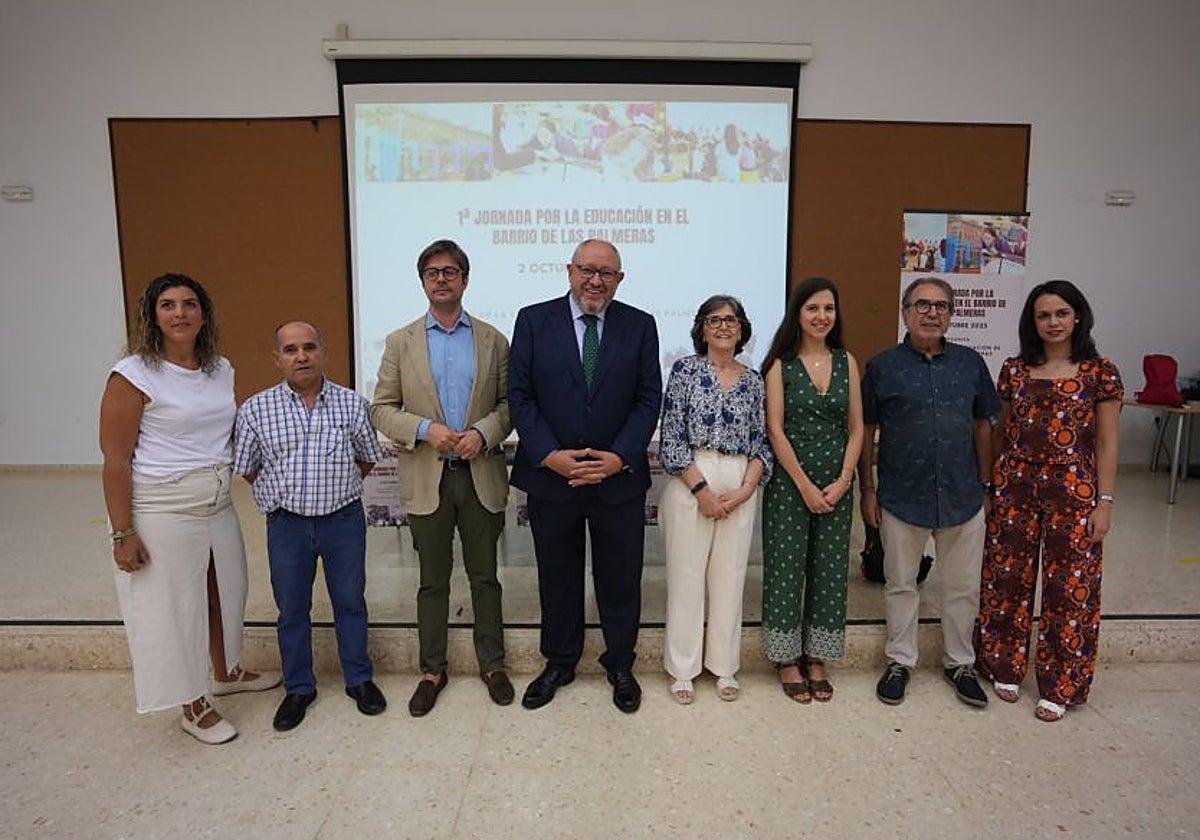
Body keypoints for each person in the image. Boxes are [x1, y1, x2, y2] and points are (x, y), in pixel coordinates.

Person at [99, 273, 279, 745]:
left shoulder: (220, 368)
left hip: (217, 501)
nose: (180, 313)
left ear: (204, 313)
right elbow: (116, 460)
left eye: (189, 304)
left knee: (226, 590)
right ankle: (192, 703)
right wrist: (123, 533)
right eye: (168, 304)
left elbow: (227, 435)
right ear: (152, 314)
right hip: (164, 508)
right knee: (176, 608)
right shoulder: (132, 375)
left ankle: (226, 670)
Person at [508, 239, 662, 713]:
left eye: (607, 273)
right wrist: (549, 454)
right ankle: (559, 662)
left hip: (617, 479)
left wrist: (619, 457)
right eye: (587, 270)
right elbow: (521, 395)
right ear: (569, 270)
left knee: (620, 579)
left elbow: (647, 398)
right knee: (558, 576)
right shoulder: (534, 320)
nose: (596, 280)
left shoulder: (640, 325)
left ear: (620, 279)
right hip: (553, 478)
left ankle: (620, 664)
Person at [370, 239, 515, 717]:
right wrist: (423, 428)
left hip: (480, 474)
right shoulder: (400, 341)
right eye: (432, 272)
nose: (441, 279)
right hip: (426, 477)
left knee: (485, 578)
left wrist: (484, 432)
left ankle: (492, 664)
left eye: (450, 271)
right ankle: (432, 670)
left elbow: (511, 406)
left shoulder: (494, 340)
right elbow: (381, 409)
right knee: (432, 581)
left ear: (465, 280)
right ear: (423, 282)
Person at [975, 281, 1122, 722]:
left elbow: (1109, 444)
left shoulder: (1100, 372)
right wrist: (989, 487)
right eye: (1043, 315)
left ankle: (1061, 684)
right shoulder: (1015, 369)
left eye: (1061, 313)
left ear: (1078, 316)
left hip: (1074, 494)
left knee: (1069, 591)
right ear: (1032, 322)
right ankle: (1003, 664)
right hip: (1015, 486)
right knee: (1006, 580)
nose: (1052, 322)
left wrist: (1105, 502)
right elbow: (999, 433)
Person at [234, 321, 386, 731]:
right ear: (277, 358)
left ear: (323, 352)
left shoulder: (353, 404)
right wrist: (283, 492)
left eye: (309, 347)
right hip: (287, 524)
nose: (301, 356)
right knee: (292, 609)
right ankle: (299, 687)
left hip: (342, 519)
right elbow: (247, 468)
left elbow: (368, 457)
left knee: (351, 601)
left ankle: (359, 679)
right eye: (290, 350)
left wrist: (334, 488)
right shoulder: (254, 410)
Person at [859, 276, 1000, 708]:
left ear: (951, 314)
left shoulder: (971, 363)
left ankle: (961, 663)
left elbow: (983, 424)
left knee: (962, 587)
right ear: (905, 312)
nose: (932, 312)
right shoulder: (883, 366)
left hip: (963, 495)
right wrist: (869, 488)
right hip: (902, 495)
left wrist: (987, 483)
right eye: (922, 304)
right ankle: (900, 661)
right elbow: (865, 429)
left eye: (941, 306)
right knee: (901, 584)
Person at [659, 295, 772, 704]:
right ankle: (683, 668)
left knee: (730, 579)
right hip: (692, 477)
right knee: (687, 578)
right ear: (701, 329)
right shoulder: (685, 371)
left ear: (742, 329)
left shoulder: (755, 379)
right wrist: (702, 491)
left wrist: (745, 490)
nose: (723, 326)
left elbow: (763, 443)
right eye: (714, 320)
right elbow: (671, 438)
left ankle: (724, 667)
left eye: (731, 320)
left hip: (741, 480)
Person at [761, 278, 864, 703]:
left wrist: (842, 481)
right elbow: (775, 429)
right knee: (787, 569)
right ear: (797, 315)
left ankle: (817, 656)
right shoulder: (779, 365)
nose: (822, 316)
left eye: (829, 309)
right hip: (790, 484)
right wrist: (804, 484)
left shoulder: (847, 362)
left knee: (829, 570)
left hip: (838, 484)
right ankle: (786, 658)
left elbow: (856, 428)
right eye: (812, 309)